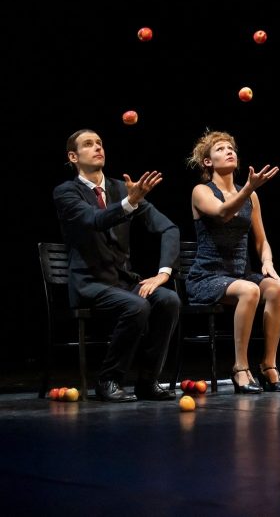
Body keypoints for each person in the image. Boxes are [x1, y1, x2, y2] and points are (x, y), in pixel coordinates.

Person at [53, 129, 180, 402]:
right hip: (90, 282)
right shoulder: (65, 192)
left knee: (168, 299)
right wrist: (129, 202)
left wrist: (162, 273)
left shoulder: (121, 189)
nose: (98, 147)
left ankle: (148, 381)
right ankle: (109, 379)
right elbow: (94, 220)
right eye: (88, 144)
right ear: (73, 157)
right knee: (136, 305)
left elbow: (168, 228)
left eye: (100, 142)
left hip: (122, 281)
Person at [185, 131, 280, 393]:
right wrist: (249, 188)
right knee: (250, 289)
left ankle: (268, 365)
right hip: (207, 276)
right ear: (208, 162)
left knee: (276, 289)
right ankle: (240, 368)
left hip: (239, 275)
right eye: (220, 149)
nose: (229, 151)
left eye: (231, 148)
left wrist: (267, 262)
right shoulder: (201, 191)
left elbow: (261, 240)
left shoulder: (250, 196)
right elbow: (222, 213)